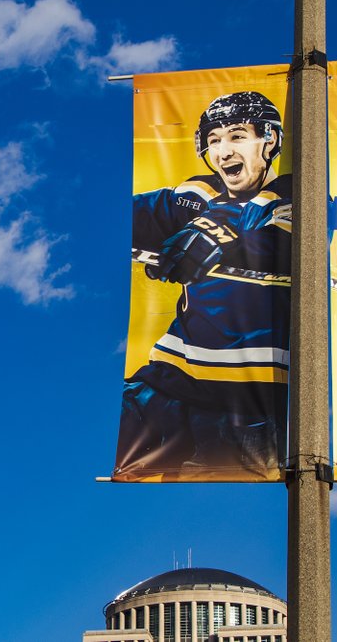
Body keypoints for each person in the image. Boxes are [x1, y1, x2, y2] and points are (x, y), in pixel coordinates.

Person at [115, 91, 292, 481]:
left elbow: (283, 243)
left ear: (270, 141)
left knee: (233, 494)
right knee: (130, 458)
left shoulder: (293, 195)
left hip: (250, 396)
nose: (224, 150)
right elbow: (127, 214)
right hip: (171, 376)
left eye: (237, 136)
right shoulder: (197, 195)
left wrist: (216, 241)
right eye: (214, 140)